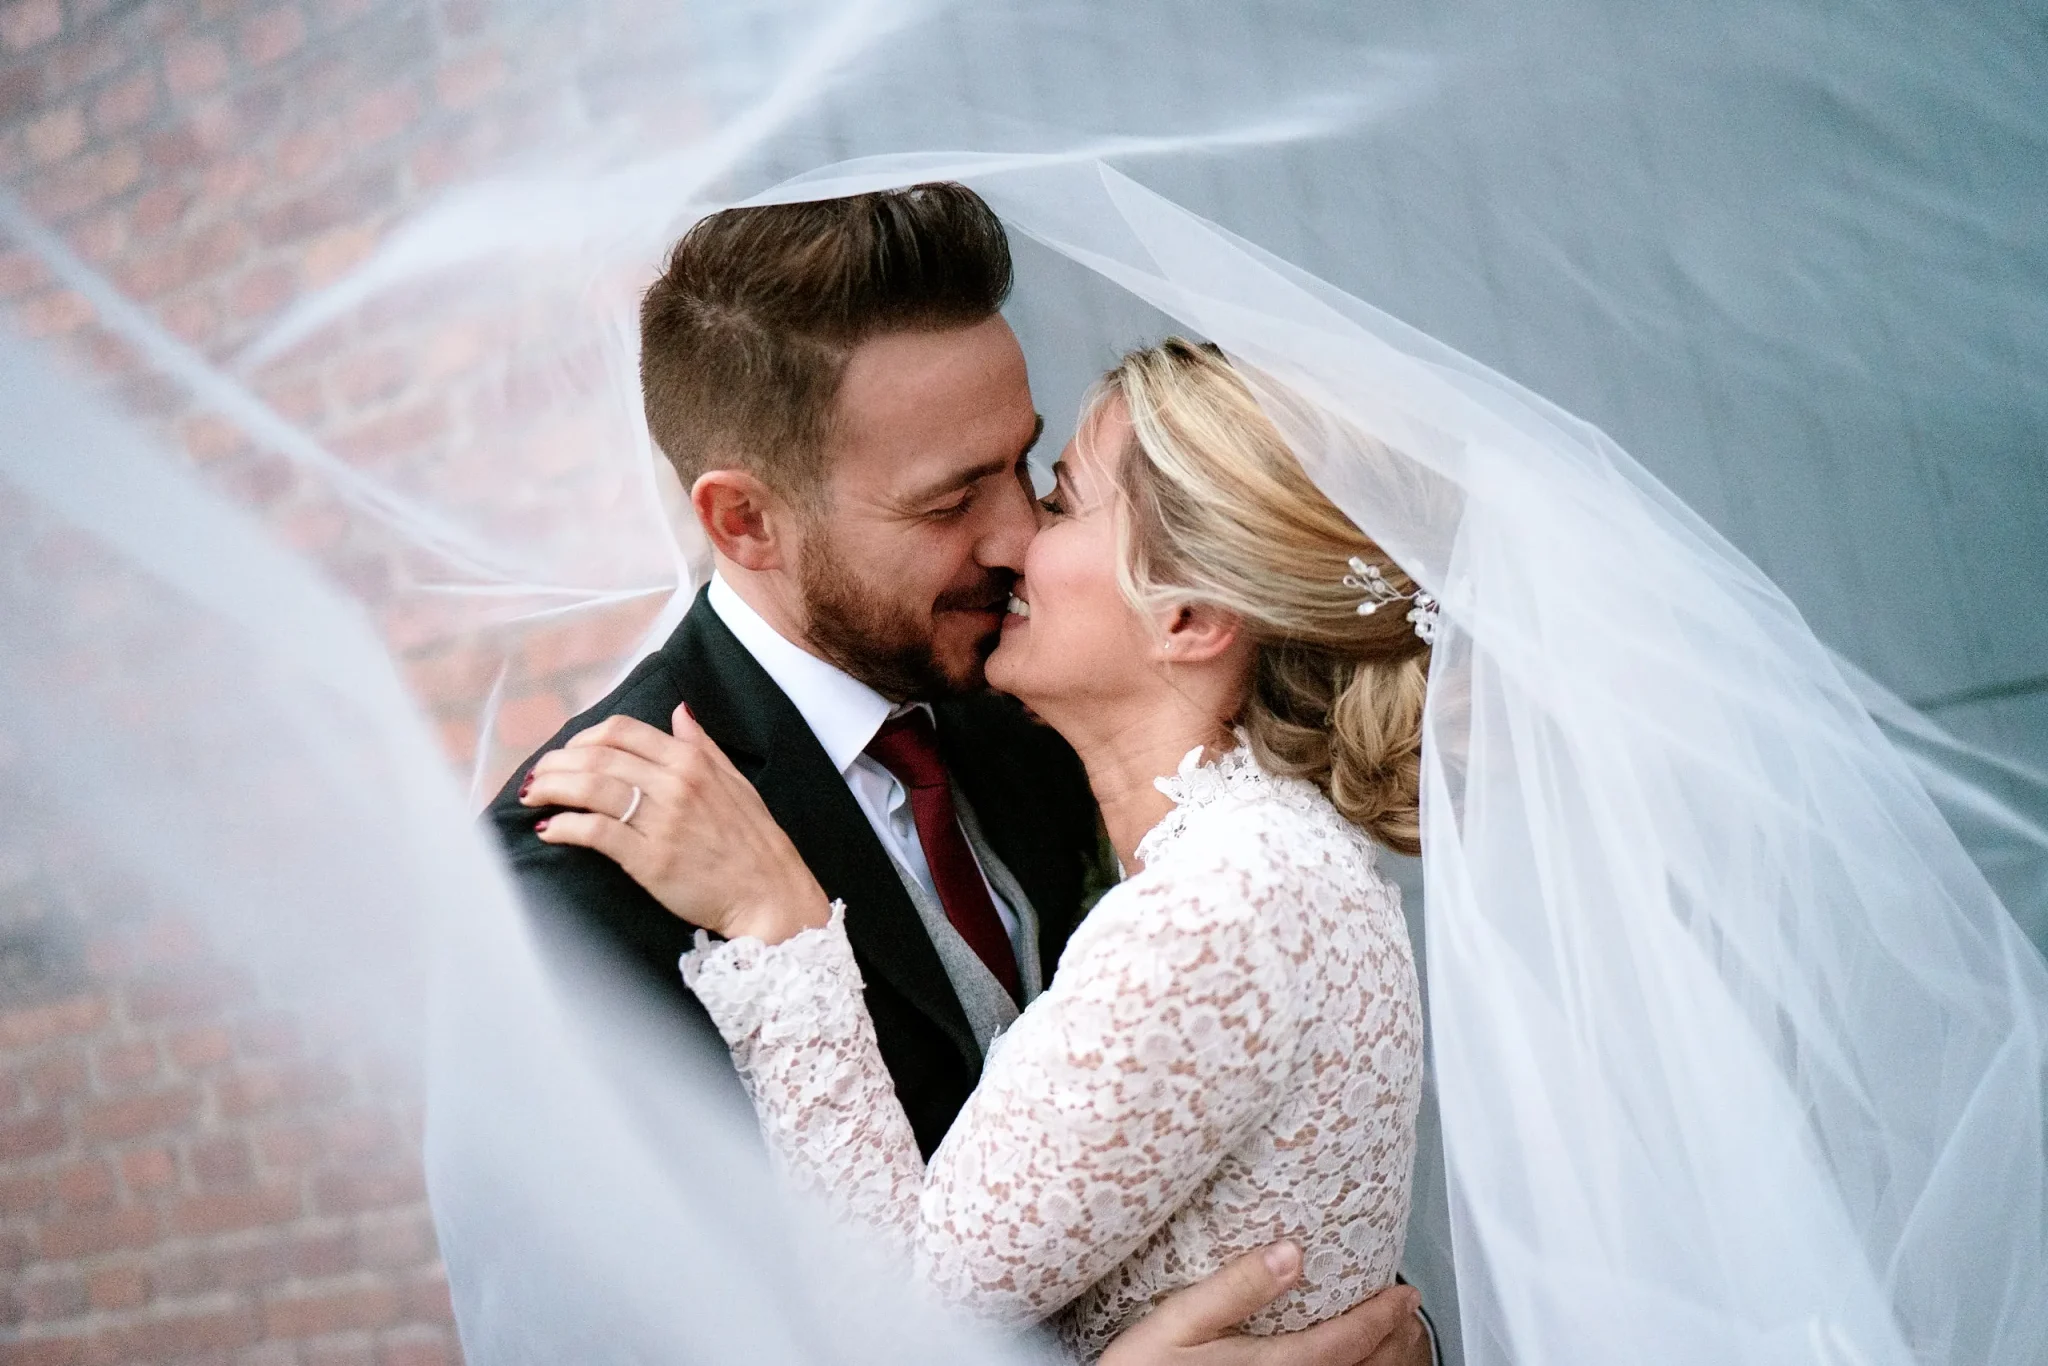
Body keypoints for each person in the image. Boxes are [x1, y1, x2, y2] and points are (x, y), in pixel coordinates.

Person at [485, 186, 1435, 1365]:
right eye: (949, 498)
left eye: (1027, 468)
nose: (1014, 534)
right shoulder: (563, 889)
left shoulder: (1052, 713)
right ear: (743, 521)